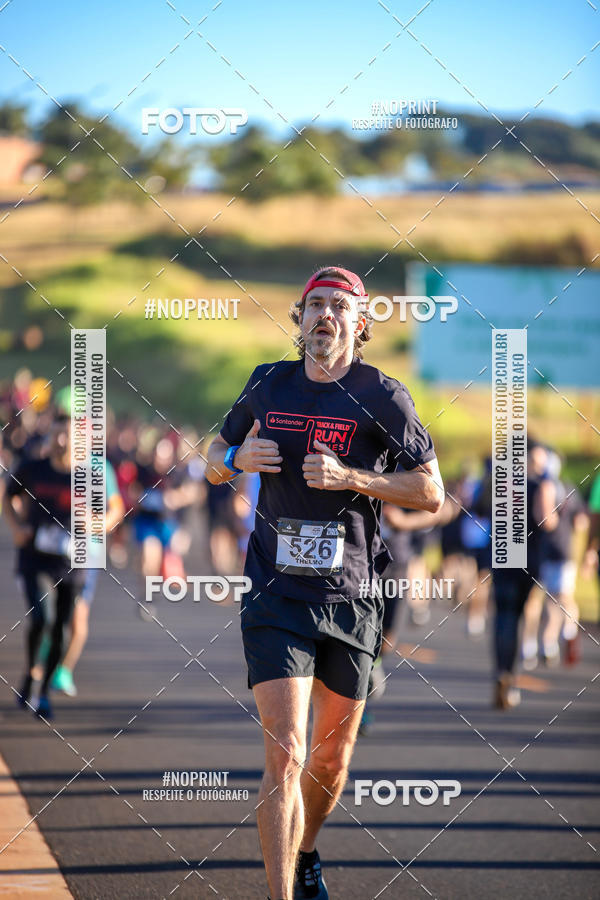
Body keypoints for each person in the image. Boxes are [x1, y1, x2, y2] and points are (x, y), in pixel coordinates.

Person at [206, 266, 444, 900]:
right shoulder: (267, 383)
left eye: (339, 306)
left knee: (329, 761)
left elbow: (431, 494)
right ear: (299, 318)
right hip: (275, 593)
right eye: (315, 304)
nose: (325, 315)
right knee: (285, 750)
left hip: (352, 596)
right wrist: (234, 460)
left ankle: (306, 849)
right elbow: (210, 456)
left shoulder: (384, 397)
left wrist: (352, 478)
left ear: (360, 323)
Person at [3, 415, 83, 719]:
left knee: (61, 629)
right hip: (35, 557)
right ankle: (29, 674)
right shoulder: (33, 469)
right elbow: (8, 497)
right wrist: (16, 527)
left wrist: (96, 522)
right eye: (57, 434)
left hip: (72, 562)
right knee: (42, 618)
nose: (61, 441)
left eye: (68, 435)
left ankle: (45, 692)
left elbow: (112, 510)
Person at [51, 456, 125, 696]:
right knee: (48, 617)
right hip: (50, 553)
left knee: (78, 620)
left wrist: (94, 524)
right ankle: (39, 670)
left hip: (85, 555)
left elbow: (117, 511)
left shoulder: (101, 468)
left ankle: (63, 670)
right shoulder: (47, 465)